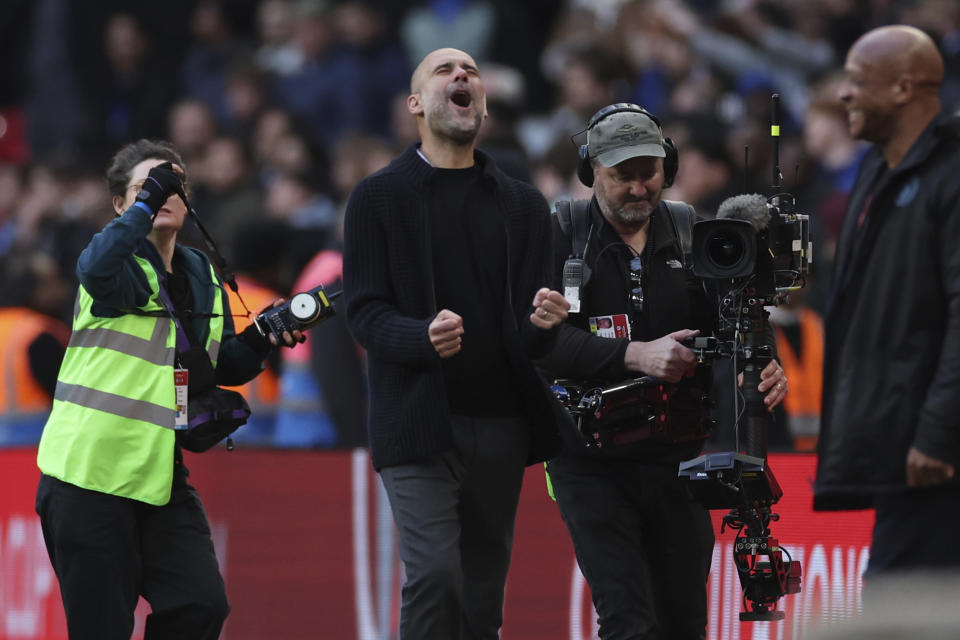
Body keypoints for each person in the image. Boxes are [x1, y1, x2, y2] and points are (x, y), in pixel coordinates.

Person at [342, 47, 570, 639]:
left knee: (481, 600)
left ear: (484, 104)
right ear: (415, 104)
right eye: (444, 71)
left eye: (470, 70)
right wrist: (421, 336)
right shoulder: (377, 198)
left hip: (500, 424)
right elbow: (363, 312)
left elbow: (531, 333)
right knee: (436, 577)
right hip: (418, 422)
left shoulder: (523, 204)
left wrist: (545, 322)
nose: (461, 75)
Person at [34, 139, 302, 640]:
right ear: (122, 205)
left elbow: (218, 368)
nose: (162, 197)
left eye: (171, 185)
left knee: (201, 604)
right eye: (146, 188)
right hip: (86, 476)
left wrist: (265, 336)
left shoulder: (202, 272)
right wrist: (144, 206)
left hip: (156, 474)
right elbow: (94, 268)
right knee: (102, 630)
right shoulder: (116, 263)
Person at [538, 103, 787, 639]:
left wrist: (765, 367)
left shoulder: (692, 231)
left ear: (667, 169)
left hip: (679, 460)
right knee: (629, 620)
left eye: (647, 173)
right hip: (588, 463)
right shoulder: (558, 235)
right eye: (621, 175)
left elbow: (743, 320)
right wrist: (636, 354)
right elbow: (538, 343)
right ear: (591, 173)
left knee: (683, 624)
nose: (637, 188)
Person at [814, 25, 960, 582]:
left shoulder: (951, 174)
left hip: (936, 455)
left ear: (903, 89)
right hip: (898, 448)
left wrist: (939, 432)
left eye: (856, 81)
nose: (844, 94)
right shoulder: (876, 173)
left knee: (896, 615)